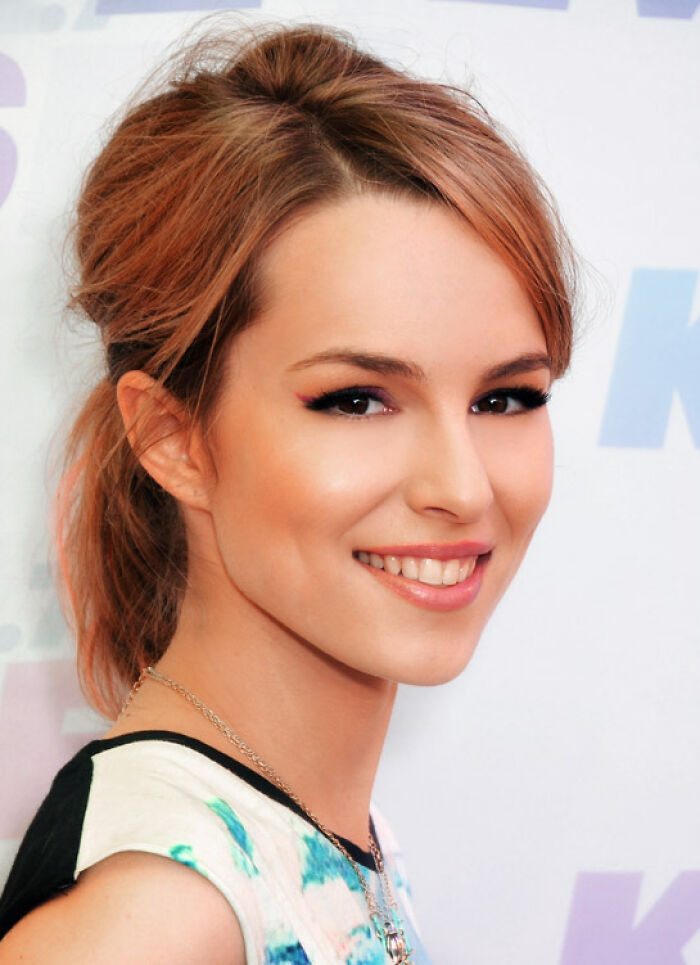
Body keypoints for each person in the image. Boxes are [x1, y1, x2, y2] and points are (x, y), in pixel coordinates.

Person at [0, 17, 576, 964]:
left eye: (506, 396)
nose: (462, 487)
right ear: (172, 437)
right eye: (356, 399)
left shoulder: (309, 830)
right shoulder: (153, 919)